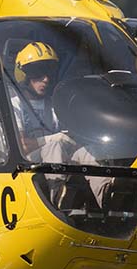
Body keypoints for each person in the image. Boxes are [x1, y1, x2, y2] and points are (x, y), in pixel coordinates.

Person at [9, 41, 111, 207]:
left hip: (57, 159)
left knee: (86, 151)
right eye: (38, 73)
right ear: (24, 75)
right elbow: (22, 146)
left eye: (48, 72)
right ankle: (57, 195)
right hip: (26, 163)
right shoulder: (15, 105)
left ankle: (107, 193)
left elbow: (69, 138)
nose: (45, 79)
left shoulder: (54, 105)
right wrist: (53, 139)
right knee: (55, 146)